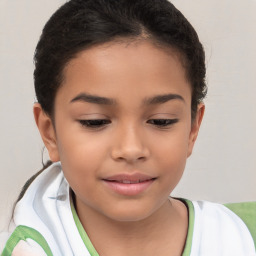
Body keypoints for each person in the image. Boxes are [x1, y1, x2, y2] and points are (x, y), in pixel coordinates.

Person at [0, 0, 255, 255]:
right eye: (95, 121)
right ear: (49, 132)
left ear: (192, 128)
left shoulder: (241, 237)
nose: (131, 149)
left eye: (161, 121)